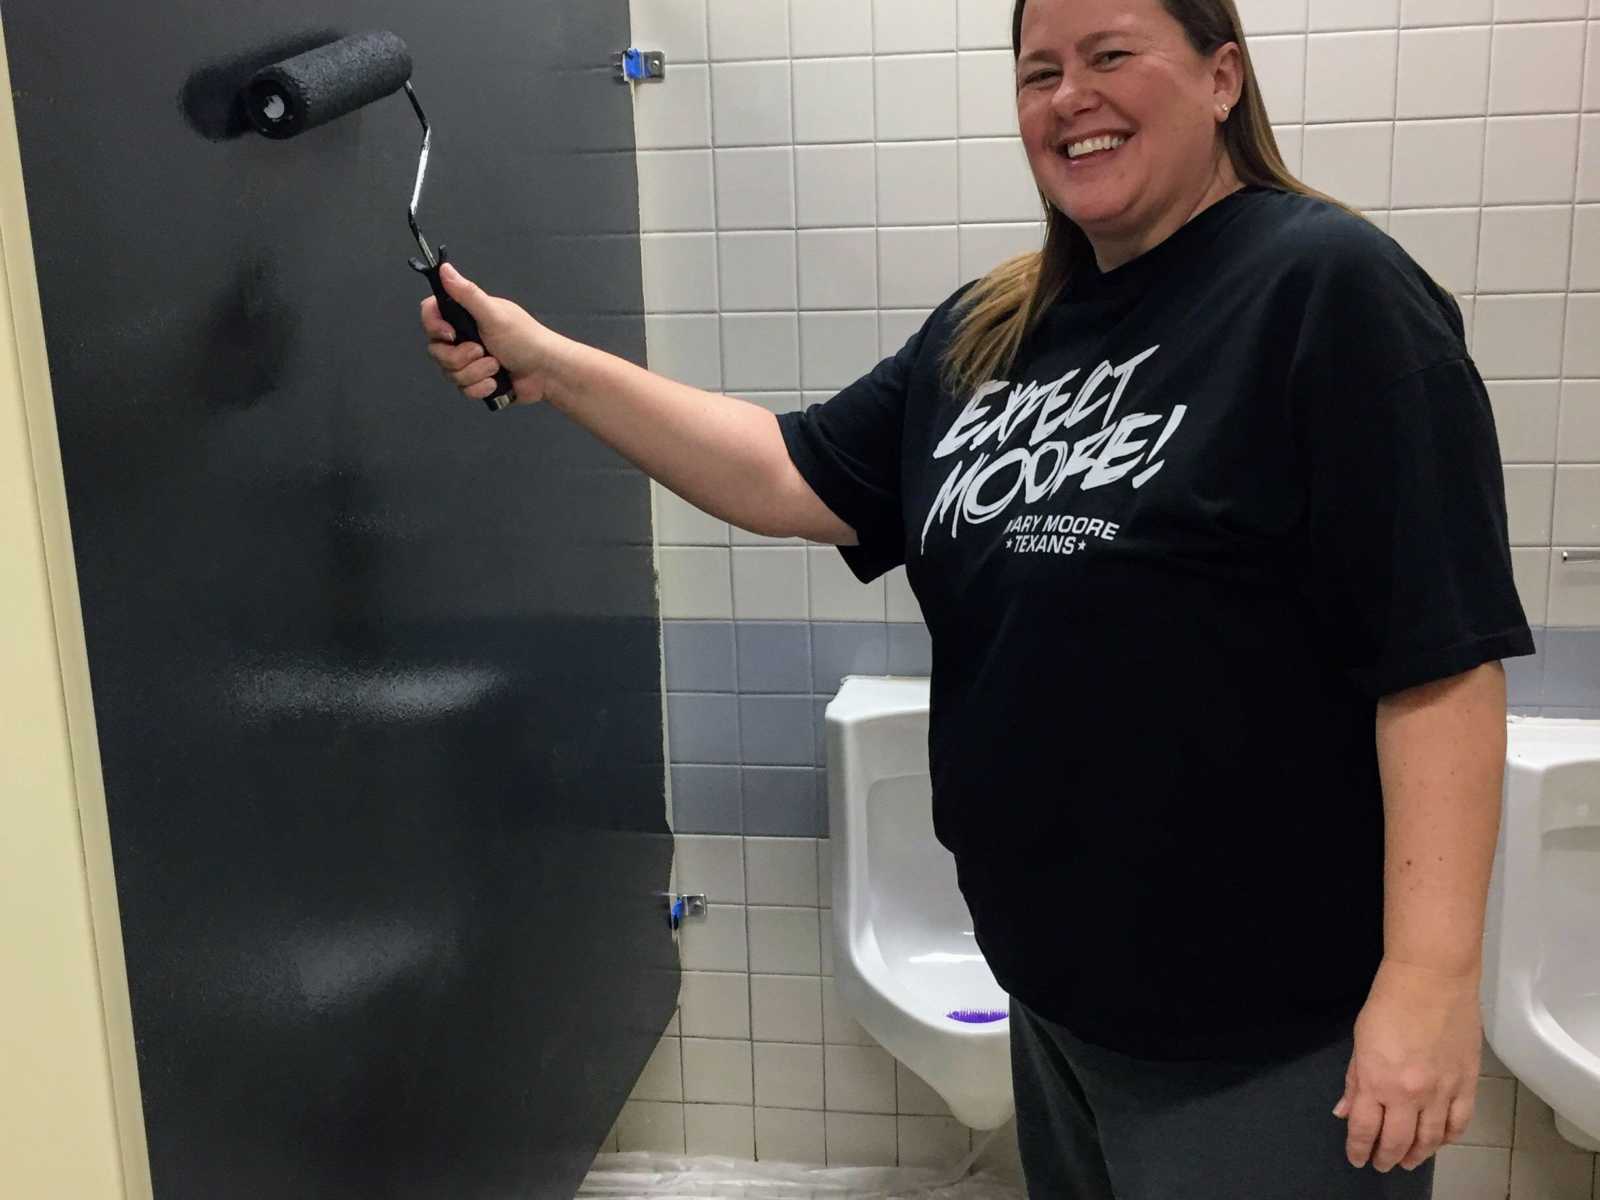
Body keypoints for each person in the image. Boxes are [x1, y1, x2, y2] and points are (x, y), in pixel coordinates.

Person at [419, 0, 1535, 1195]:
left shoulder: (1326, 290)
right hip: (1057, 1001)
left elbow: (1439, 662)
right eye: (1038, 70)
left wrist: (1425, 989)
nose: (1069, 97)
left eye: (1110, 55)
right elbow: (785, 470)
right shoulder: (998, 327)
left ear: (1222, 79)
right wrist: (551, 362)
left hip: (1257, 1031)